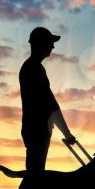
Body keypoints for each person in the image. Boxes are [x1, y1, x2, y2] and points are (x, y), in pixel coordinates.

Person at [19, 27, 76, 173]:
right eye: (50, 42)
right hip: (38, 130)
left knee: (35, 174)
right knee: (35, 176)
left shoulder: (30, 67)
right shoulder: (34, 69)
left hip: (33, 129)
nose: (53, 46)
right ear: (41, 44)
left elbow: (49, 104)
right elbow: (50, 104)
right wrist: (67, 134)